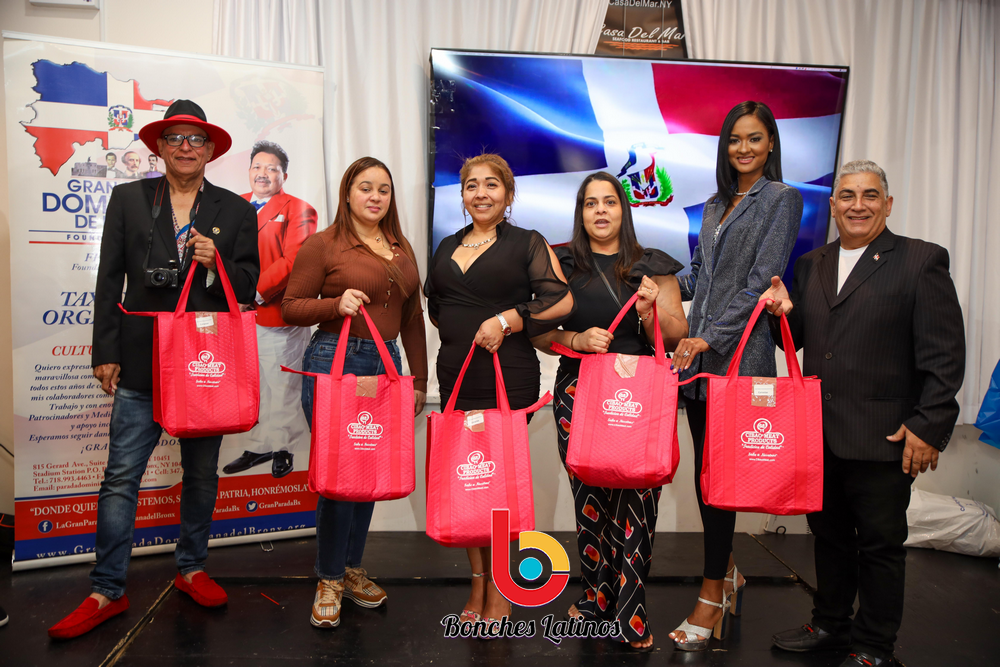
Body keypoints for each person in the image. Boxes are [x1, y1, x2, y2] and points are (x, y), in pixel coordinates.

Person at [48, 100, 259, 640]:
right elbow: (108, 280)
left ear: (210, 150)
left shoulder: (238, 210)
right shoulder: (129, 199)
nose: (186, 147)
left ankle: (191, 568)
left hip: (204, 365)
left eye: (196, 139)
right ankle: (107, 589)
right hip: (142, 357)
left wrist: (216, 263)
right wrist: (105, 351)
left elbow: (248, 287)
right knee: (121, 476)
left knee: (202, 474)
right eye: (175, 138)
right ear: (159, 147)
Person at [766, 160, 965, 667]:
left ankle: (874, 646)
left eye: (870, 195)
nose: (858, 205)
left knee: (880, 547)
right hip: (820, 435)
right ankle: (831, 624)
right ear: (833, 206)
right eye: (848, 196)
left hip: (887, 436)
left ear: (888, 204)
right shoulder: (811, 263)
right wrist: (779, 315)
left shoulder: (921, 260)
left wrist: (929, 426)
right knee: (828, 538)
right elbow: (798, 341)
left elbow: (945, 355)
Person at [531, 171, 688, 651]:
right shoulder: (561, 265)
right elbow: (539, 333)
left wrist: (648, 310)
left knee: (637, 500)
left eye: (610, 202)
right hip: (578, 391)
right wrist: (575, 338)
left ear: (625, 209)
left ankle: (631, 609)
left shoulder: (653, 265)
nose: (600, 210)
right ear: (580, 213)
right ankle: (596, 597)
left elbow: (676, 334)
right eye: (590, 203)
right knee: (590, 500)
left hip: (638, 394)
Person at [669, 100, 803, 651]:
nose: (743, 148)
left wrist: (710, 337)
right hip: (697, 363)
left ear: (770, 144)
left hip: (738, 358)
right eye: (734, 139)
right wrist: (649, 276)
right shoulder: (714, 204)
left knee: (721, 483)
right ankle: (728, 574)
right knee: (706, 479)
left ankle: (710, 595)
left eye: (754, 138)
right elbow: (700, 276)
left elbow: (759, 282)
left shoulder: (782, 199)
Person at [425, 152, 574, 629]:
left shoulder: (527, 242)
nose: (481, 193)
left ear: (508, 195)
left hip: (507, 375)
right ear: (462, 195)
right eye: (472, 185)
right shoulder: (446, 245)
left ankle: (500, 585)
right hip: (456, 373)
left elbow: (560, 300)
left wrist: (508, 320)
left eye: (492, 184)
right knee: (468, 480)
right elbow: (437, 305)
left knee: (495, 481)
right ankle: (478, 581)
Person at [282, 157, 427, 629]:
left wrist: (419, 381)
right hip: (335, 361)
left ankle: (350, 569)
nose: (375, 197)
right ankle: (328, 578)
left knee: (367, 473)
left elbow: (412, 319)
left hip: (387, 365)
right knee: (338, 477)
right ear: (347, 193)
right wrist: (334, 303)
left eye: (383, 189)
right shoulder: (324, 244)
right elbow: (290, 307)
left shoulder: (400, 247)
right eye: (365, 188)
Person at [223, 141, 317, 479]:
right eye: (257, 167)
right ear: (249, 171)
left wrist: (252, 293)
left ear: (284, 176)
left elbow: (293, 260)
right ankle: (260, 444)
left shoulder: (299, 209)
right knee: (255, 384)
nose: (263, 174)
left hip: (277, 314)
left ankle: (283, 449)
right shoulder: (233, 205)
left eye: (271, 169)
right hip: (237, 314)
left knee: (282, 384)